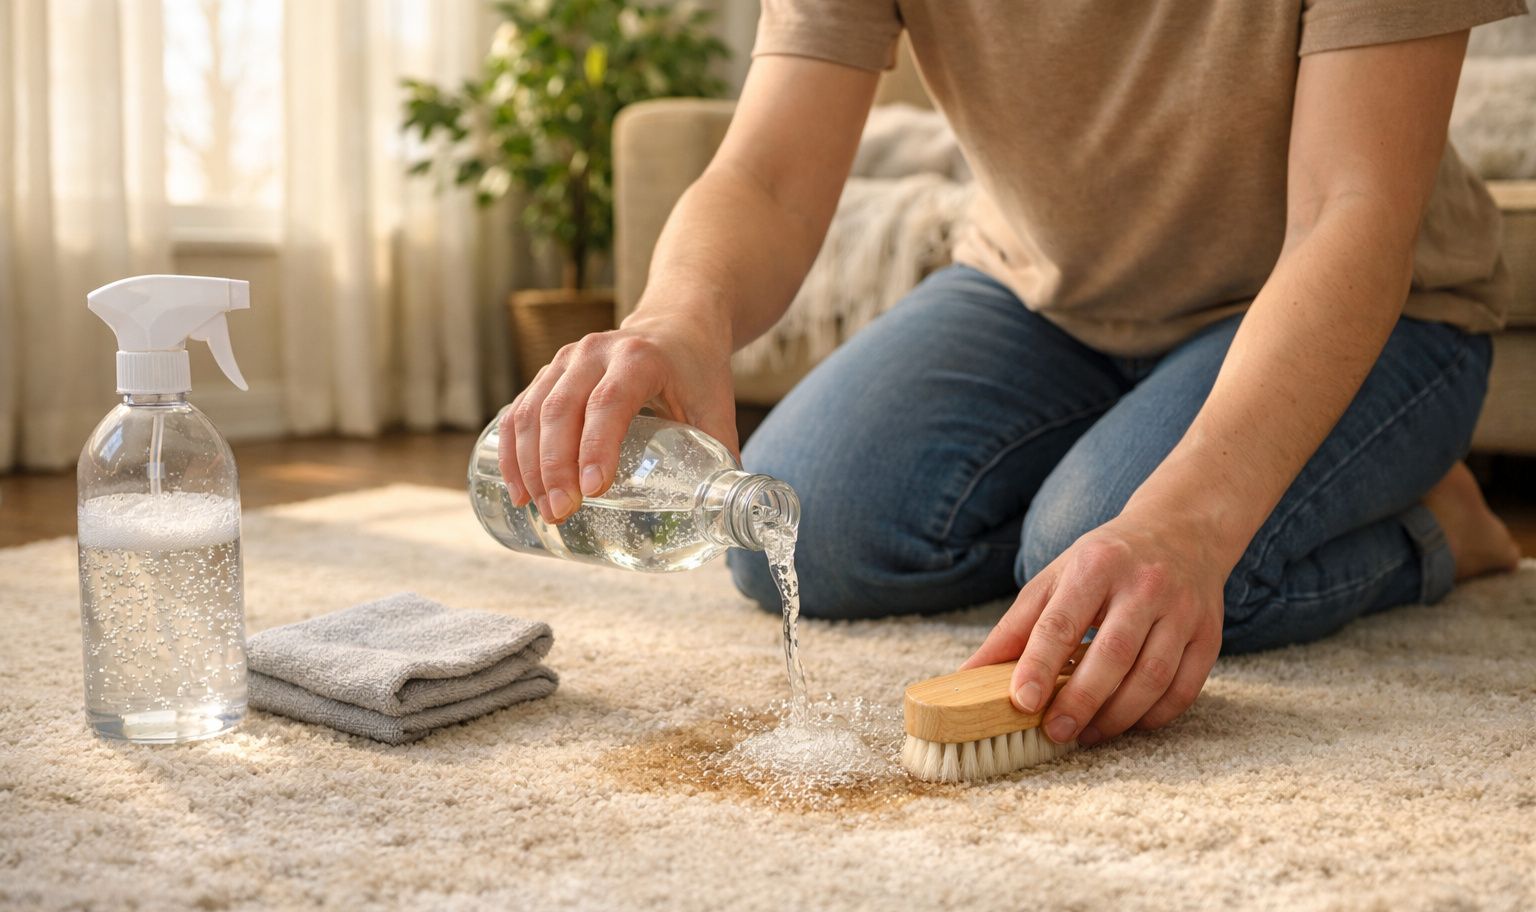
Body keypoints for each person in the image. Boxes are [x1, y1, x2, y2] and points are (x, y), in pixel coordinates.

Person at [497, 1, 1525, 751]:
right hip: (1037, 294)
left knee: (1127, 598)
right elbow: (764, 175)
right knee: (796, 538)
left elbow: (1351, 209)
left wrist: (1188, 524)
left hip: (1362, 306)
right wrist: (675, 317)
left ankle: (1436, 525)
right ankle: (1123, 485)